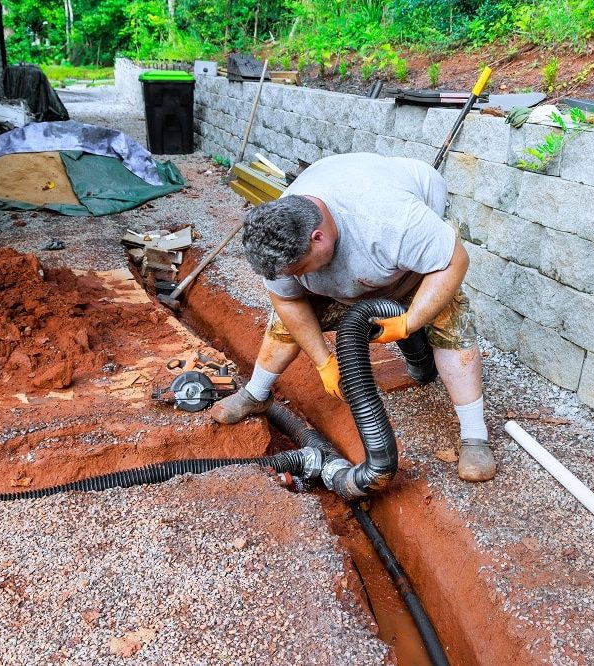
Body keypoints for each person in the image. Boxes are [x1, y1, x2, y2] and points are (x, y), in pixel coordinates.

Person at [210, 152, 495, 482]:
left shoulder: (391, 220)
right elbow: (287, 302)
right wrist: (322, 361)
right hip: (361, 267)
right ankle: (256, 394)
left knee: (449, 321)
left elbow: (454, 262)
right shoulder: (278, 239)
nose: (297, 277)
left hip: (413, 267)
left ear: (318, 237)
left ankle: (475, 437)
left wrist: (410, 321)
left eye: (301, 269)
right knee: (283, 323)